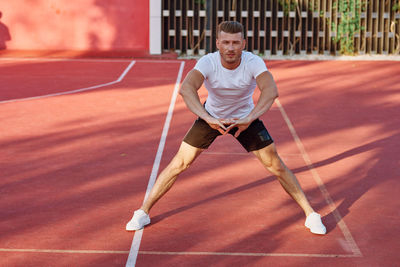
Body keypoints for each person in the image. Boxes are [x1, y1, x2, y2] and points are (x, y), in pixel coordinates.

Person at [126, 21, 326, 235]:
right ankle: (143, 212)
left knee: (275, 165)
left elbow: (270, 91)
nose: (231, 48)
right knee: (180, 163)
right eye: (227, 42)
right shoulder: (208, 62)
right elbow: (186, 89)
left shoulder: (253, 62)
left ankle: (311, 214)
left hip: (244, 118)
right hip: (212, 116)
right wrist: (206, 117)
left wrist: (250, 117)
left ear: (244, 44)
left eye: (236, 43)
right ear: (218, 43)